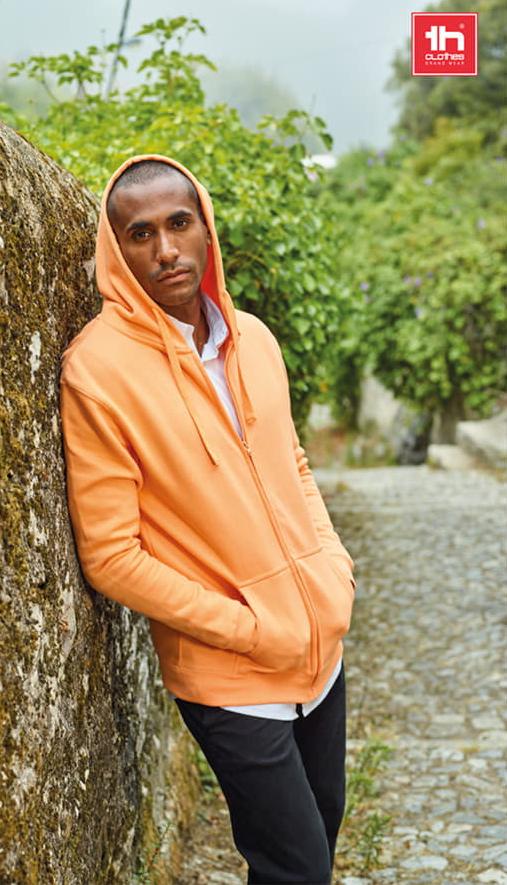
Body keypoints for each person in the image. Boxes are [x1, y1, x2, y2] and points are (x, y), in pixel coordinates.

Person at [60, 155, 356, 885]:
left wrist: (333, 569)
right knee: (296, 868)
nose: (165, 249)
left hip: (321, 649)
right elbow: (111, 556)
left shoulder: (254, 338)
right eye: (141, 233)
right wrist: (247, 629)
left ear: (206, 230)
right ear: (116, 249)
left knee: (322, 831)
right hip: (231, 672)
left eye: (179, 224)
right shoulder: (95, 371)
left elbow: (293, 464)